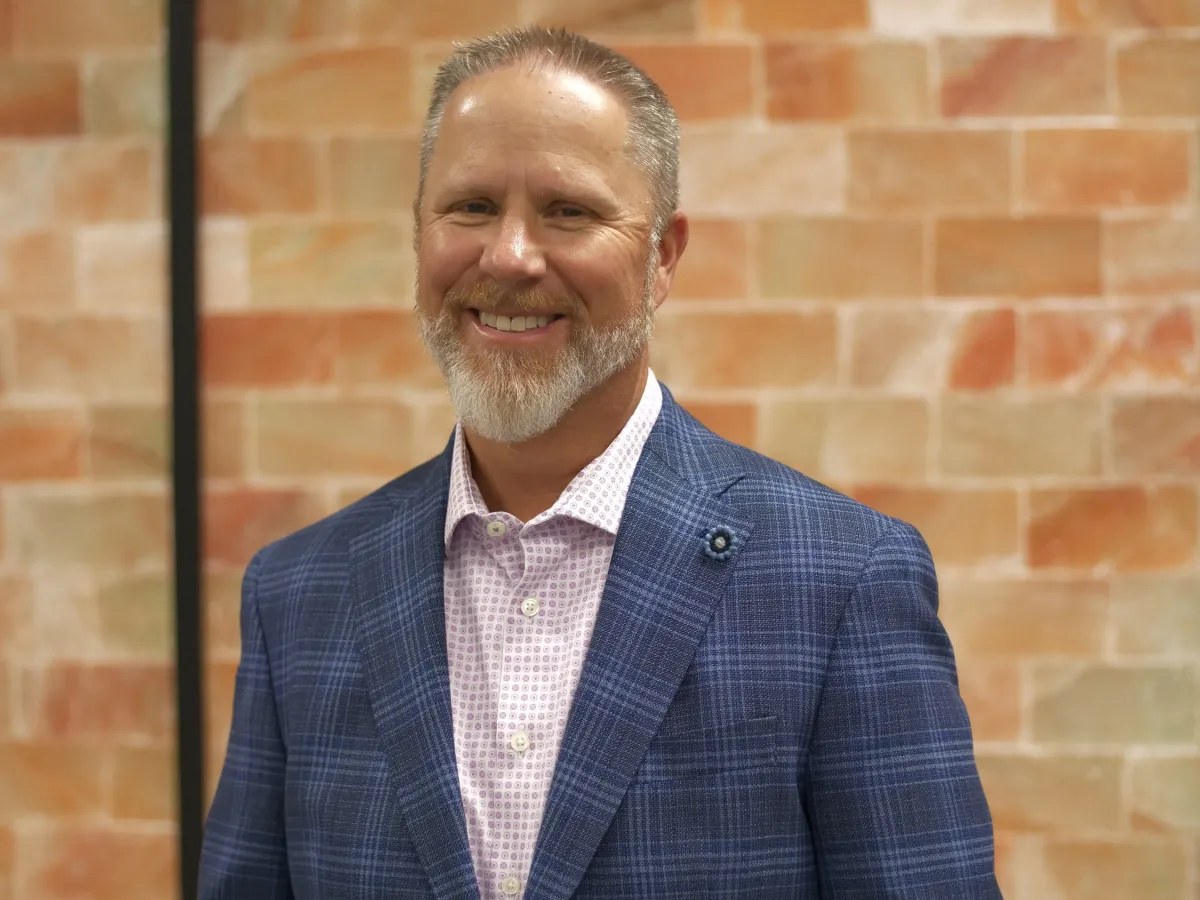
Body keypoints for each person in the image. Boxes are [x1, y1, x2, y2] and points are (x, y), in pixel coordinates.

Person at [199, 25, 1001, 900]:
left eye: (569, 211)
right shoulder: (296, 594)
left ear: (662, 256)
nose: (507, 256)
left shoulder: (842, 580)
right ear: (418, 235)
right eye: (469, 207)